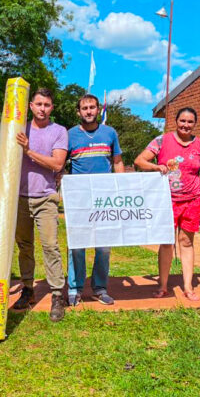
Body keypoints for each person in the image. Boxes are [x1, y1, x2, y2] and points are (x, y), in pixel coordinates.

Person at [135, 107, 200, 300]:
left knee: (186, 242)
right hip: (166, 201)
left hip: (192, 201)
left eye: (190, 122)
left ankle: (188, 287)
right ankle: (162, 286)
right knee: (167, 243)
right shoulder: (161, 141)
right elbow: (139, 161)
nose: (186, 125)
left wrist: (193, 181)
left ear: (195, 124)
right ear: (176, 121)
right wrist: (156, 167)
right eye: (182, 121)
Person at [11, 88, 69, 322]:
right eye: (38, 104)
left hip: (45, 197)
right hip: (20, 197)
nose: (42, 108)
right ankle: (28, 289)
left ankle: (57, 294)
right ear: (31, 106)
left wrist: (28, 151)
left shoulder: (59, 131)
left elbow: (57, 164)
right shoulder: (19, 128)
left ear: (51, 108)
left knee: (50, 246)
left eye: (47, 105)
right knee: (24, 246)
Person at [66, 94, 124, 307]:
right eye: (84, 108)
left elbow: (118, 162)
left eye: (92, 107)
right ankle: (75, 288)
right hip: (79, 201)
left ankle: (100, 288)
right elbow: (60, 165)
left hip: (104, 200)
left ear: (98, 109)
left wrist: (121, 190)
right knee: (77, 246)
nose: (88, 111)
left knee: (103, 247)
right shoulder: (70, 135)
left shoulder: (109, 133)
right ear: (78, 112)